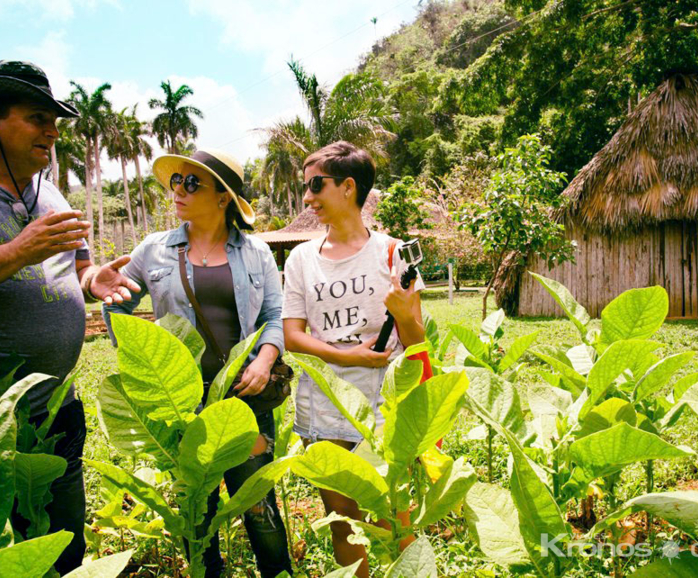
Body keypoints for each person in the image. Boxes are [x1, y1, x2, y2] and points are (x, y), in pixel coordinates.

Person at [103, 148, 292, 578]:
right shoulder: (153, 251)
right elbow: (118, 305)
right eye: (175, 182)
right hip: (180, 405)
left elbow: (273, 318)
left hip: (245, 402)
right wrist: (142, 361)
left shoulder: (256, 253)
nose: (178, 192)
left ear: (223, 197)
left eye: (192, 183)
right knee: (197, 517)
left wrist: (264, 360)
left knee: (259, 510)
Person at [0, 60, 141, 574]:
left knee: (64, 538)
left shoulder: (51, 193)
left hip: (58, 403)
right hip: (1, 418)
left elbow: (78, 266)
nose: (53, 133)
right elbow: (24, 255)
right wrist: (15, 252)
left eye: (56, 122)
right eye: (38, 117)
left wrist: (93, 279)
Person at [282, 141, 425, 576]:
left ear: (348, 188)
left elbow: (417, 341)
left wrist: (404, 316)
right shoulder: (301, 259)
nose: (307, 198)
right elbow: (293, 337)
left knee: (392, 514)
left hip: (385, 404)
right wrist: (351, 355)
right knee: (343, 522)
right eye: (304, 187)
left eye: (315, 186)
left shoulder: (392, 252)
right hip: (324, 403)